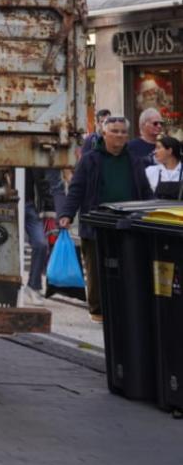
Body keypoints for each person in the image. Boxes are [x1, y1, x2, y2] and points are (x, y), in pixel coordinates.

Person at [58, 115, 155, 319]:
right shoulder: (90, 159)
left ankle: (124, 307)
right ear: (104, 134)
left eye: (123, 132)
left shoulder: (134, 160)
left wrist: (151, 214)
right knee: (96, 268)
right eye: (115, 131)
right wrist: (66, 214)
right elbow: (77, 188)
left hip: (127, 224)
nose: (120, 135)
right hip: (97, 223)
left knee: (127, 266)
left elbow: (145, 190)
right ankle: (98, 310)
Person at [22, 166, 61, 300]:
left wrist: (50, 207)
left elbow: (43, 182)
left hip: (29, 206)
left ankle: (33, 286)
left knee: (41, 244)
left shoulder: (32, 157)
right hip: (7, 203)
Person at [148, 135, 183, 200]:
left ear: (169, 151)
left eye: (158, 148)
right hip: (157, 209)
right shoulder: (150, 171)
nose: (155, 152)